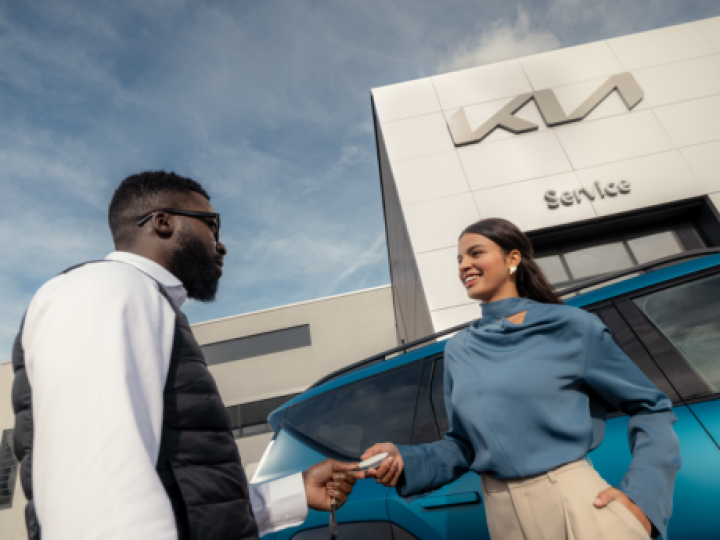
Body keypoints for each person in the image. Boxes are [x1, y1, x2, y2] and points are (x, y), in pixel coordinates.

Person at [11, 171, 362, 540]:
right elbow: (100, 502)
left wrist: (294, 492)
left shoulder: (140, 297)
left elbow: (191, 502)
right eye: (212, 225)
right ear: (163, 222)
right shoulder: (104, 288)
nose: (221, 245)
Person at [362, 218, 681, 540]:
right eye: (459, 259)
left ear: (512, 258)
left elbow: (651, 407)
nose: (464, 266)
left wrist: (644, 496)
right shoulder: (458, 350)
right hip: (502, 521)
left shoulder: (571, 326)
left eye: (475, 253)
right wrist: (405, 459)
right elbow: (464, 445)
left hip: (578, 506)